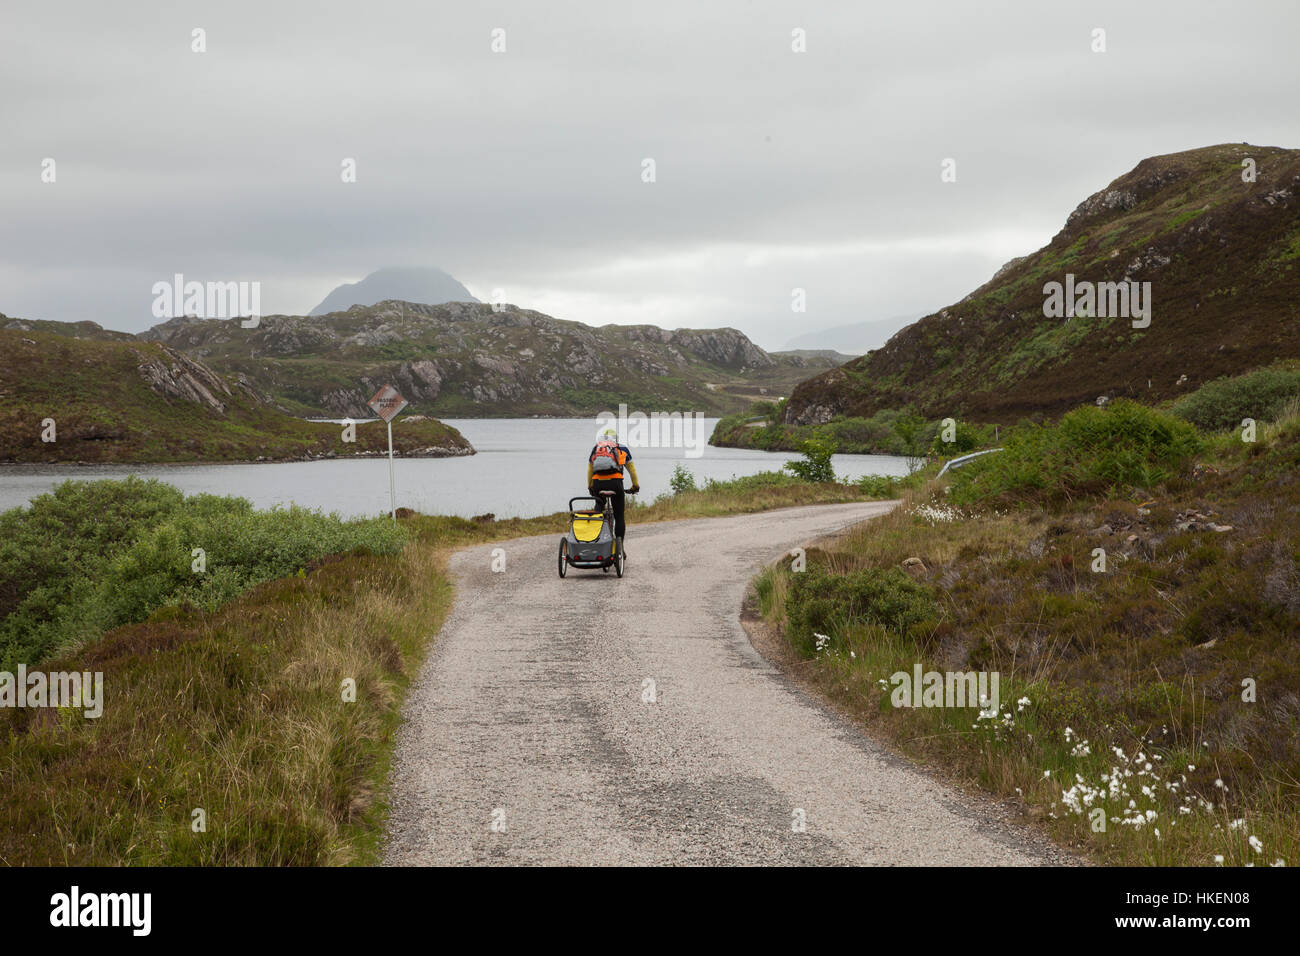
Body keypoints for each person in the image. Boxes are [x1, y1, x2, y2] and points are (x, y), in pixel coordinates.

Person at [587, 427, 639, 552]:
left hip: (598, 483)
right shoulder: (622, 449)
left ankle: (595, 542)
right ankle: (620, 550)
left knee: (598, 511)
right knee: (619, 516)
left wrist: (590, 486)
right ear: (616, 440)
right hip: (616, 483)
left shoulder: (596, 448)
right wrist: (635, 486)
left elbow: (590, 469)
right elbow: (632, 470)